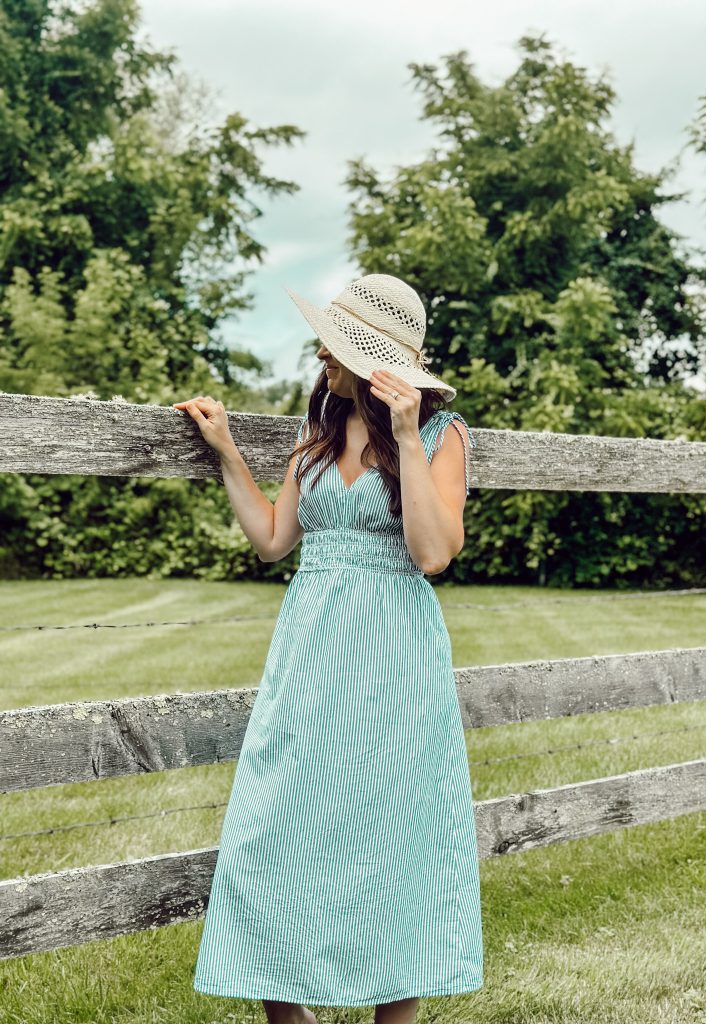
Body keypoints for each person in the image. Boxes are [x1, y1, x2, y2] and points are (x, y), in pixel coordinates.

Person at [173, 273, 484, 1024]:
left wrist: (405, 439)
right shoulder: (315, 436)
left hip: (394, 658)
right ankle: (290, 1012)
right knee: (273, 822)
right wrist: (226, 451)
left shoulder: (442, 435)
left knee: (392, 831)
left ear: (378, 362)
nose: (321, 353)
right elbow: (273, 540)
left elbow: (433, 553)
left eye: (336, 344)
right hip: (309, 655)